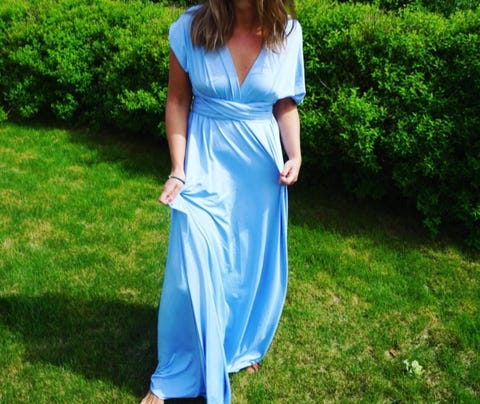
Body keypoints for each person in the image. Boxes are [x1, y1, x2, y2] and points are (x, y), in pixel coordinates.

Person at [141, 0, 305, 401]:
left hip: (258, 172)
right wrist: (178, 168)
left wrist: (295, 154)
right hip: (204, 162)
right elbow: (178, 100)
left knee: (245, 263)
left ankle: (237, 344)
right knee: (192, 262)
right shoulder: (190, 28)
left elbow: (284, 103)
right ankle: (174, 372)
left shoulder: (287, 32)